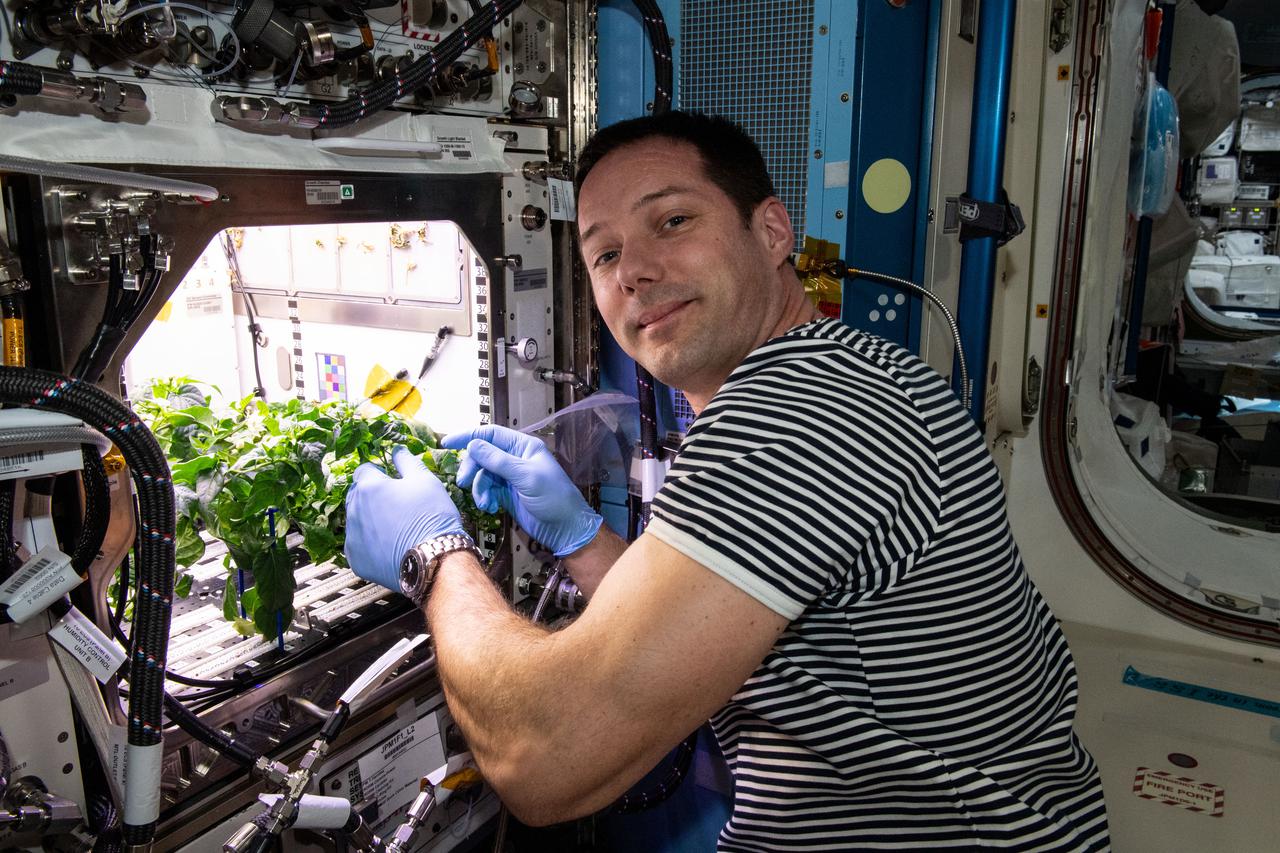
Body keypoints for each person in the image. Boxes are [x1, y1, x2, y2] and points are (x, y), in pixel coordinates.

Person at [344, 111, 1111, 851]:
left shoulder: (799, 415)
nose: (634, 271)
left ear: (772, 231)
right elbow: (698, 626)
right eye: (604, 255)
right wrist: (583, 539)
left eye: (672, 221)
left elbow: (542, 759)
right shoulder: (848, 371)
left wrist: (433, 554)